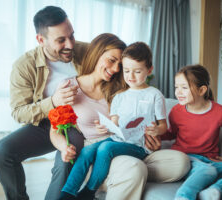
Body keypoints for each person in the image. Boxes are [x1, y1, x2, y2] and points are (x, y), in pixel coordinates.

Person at [0, 6, 148, 200]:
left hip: (76, 124)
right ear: (41, 40)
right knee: (1, 152)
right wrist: (53, 102)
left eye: (71, 36)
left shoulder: (85, 50)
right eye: (61, 40)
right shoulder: (24, 66)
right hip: (44, 122)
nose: (70, 45)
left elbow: (118, 63)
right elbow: (18, 112)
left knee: (67, 156)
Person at [58, 42, 169, 200]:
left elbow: (163, 125)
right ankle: (67, 193)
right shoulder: (120, 96)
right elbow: (114, 122)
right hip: (118, 138)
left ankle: (89, 192)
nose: (130, 76)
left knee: (106, 147)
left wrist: (156, 130)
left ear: (149, 70)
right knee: (87, 151)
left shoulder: (154, 95)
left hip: (139, 145)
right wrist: (106, 126)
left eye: (137, 71)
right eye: (127, 71)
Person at [160, 64, 222, 200]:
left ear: (202, 90)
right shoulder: (176, 111)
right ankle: (183, 196)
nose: (178, 92)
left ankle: (215, 192)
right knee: (207, 171)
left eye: (184, 88)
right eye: (177, 87)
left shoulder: (221, 113)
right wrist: (157, 133)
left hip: (210, 161)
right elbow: (172, 134)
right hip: (186, 159)